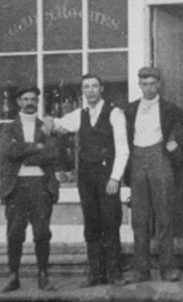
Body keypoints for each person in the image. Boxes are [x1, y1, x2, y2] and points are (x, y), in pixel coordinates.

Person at [44, 74, 130, 286]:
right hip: (86, 177)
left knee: (110, 222)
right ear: (82, 91)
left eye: (94, 86)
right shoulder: (79, 114)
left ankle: (115, 274)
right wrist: (47, 120)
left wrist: (115, 178)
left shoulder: (114, 113)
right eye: (86, 87)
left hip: (107, 175)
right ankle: (96, 275)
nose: (90, 91)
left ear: (101, 89)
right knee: (91, 225)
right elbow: (55, 124)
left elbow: (123, 150)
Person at [123, 67, 183, 284]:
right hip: (137, 161)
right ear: (139, 85)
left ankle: (167, 267)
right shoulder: (130, 109)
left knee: (164, 215)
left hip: (160, 159)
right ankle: (141, 269)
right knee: (139, 219)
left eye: (152, 84)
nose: (148, 88)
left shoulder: (168, 108)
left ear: (159, 85)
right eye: (144, 84)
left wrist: (177, 142)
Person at [0, 87, 60, 293]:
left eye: (33, 99)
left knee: (42, 233)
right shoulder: (9, 128)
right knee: (15, 233)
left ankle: (43, 275)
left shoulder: (46, 126)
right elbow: (9, 151)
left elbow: (52, 154)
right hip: (16, 186)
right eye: (25, 99)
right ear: (18, 102)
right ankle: (13, 276)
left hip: (40, 185)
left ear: (38, 101)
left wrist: (24, 151)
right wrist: (36, 147)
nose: (29, 103)